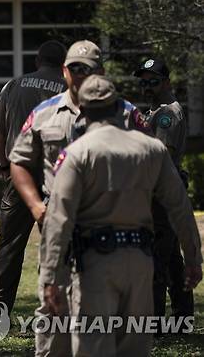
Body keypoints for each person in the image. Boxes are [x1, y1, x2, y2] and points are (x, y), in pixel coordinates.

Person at [40, 75, 202, 356]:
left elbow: (59, 220)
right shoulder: (152, 150)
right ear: (118, 108)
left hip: (94, 264)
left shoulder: (77, 154)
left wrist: (52, 276)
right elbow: (180, 207)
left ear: (84, 112)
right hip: (140, 264)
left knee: (94, 345)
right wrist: (193, 258)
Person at [9, 40, 148, 357]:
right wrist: (35, 205)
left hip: (112, 232)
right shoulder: (44, 114)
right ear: (64, 70)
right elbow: (18, 161)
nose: (80, 75)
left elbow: (152, 161)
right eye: (74, 68)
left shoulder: (126, 114)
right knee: (54, 309)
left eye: (87, 69)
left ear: (101, 72)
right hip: (58, 229)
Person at [0, 40, 67, 314]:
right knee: (55, 246)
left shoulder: (13, 86)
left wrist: (5, 165)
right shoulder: (71, 89)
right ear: (64, 63)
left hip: (19, 177)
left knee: (9, 246)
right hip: (59, 177)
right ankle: (53, 310)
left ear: (37, 61)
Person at [133, 58, 193, 321]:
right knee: (170, 260)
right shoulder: (154, 110)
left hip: (161, 194)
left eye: (153, 81)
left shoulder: (167, 113)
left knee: (155, 258)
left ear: (166, 82)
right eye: (143, 81)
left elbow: (161, 156)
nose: (147, 85)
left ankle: (153, 321)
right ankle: (182, 317)